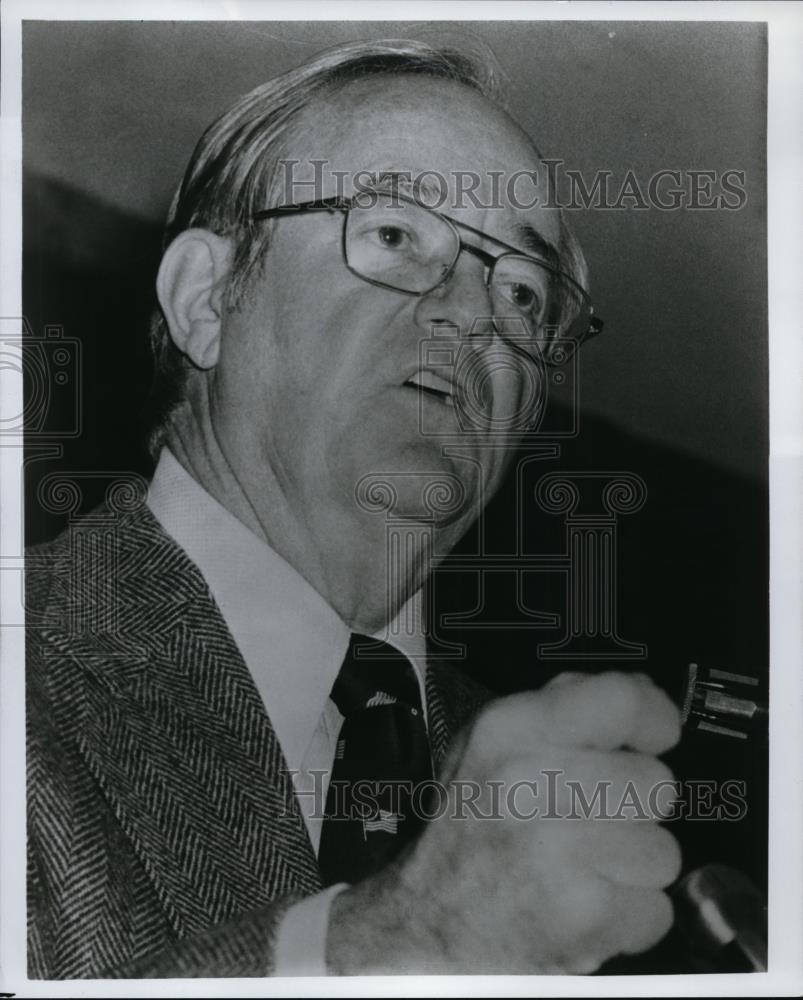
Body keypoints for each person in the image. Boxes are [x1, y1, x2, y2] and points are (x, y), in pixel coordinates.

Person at [26, 38, 681, 978]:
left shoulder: (571, 821)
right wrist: (406, 943)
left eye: (522, 291)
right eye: (394, 235)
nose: (472, 315)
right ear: (205, 301)